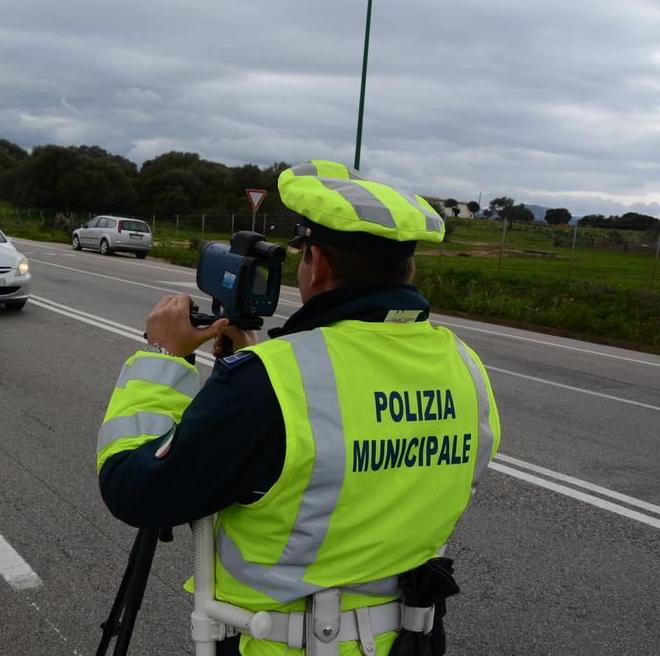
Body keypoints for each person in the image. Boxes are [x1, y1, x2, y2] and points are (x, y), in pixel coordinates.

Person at [96, 160, 501, 656]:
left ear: (320, 264)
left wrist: (163, 356)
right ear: (408, 267)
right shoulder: (465, 366)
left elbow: (134, 491)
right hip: (411, 641)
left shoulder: (272, 382)